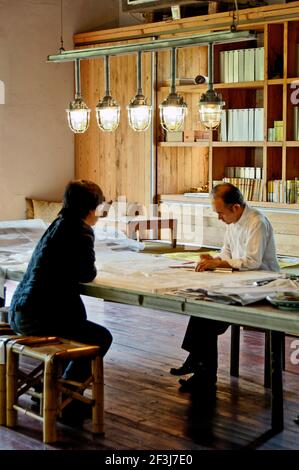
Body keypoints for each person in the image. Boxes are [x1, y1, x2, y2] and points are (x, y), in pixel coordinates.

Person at [9, 179, 112, 422]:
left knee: (83, 329)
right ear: (92, 209)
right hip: (42, 318)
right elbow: (87, 273)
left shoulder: (57, 224)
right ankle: (65, 398)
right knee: (99, 337)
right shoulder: (81, 230)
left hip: (21, 311)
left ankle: (47, 391)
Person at [170, 183, 280, 394]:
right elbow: (228, 252)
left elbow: (252, 261)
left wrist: (219, 264)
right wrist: (214, 259)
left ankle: (201, 369)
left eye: (221, 213)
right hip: (241, 282)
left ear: (236, 208)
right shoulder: (233, 221)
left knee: (208, 315)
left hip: (263, 285)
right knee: (201, 306)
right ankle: (201, 369)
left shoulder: (257, 221)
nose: (219, 218)